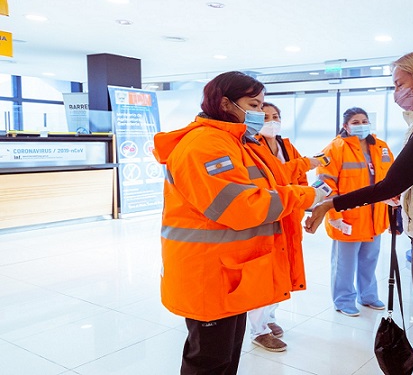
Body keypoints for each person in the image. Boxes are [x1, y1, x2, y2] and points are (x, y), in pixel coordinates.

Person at [305, 48, 413, 374]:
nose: (395, 94)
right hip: (405, 222)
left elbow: (389, 183)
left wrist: (329, 205)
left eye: (398, 85)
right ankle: (347, 299)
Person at [153, 71, 327, 375]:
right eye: (254, 104)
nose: (261, 112)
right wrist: (305, 196)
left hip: (230, 273)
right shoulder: (206, 145)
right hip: (208, 276)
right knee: (208, 362)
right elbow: (242, 207)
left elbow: (274, 180)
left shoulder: (240, 142)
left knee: (225, 358)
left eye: (262, 105)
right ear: (225, 103)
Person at [246, 102, 321, 352]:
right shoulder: (250, 145)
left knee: (282, 273)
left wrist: (304, 195)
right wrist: (304, 164)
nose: (271, 120)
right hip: (265, 218)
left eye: (275, 116)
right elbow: (273, 177)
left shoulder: (287, 146)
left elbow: (300, 181)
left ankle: (268, 318)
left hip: (288, 217)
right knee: (264, 275)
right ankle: (258, 330)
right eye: (265, 116)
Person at [314, 107, 394, 317]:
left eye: (364, 121)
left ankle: (367, 295)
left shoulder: (381, 147)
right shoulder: (334, 149)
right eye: (356, 122)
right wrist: (335, 217)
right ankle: (344, 300)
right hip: (347, 218)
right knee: (344, 264)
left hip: (375, 217)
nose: (361, 125)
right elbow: (326, 186)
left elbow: (392, 179)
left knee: (370, 260)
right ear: (345, 126)